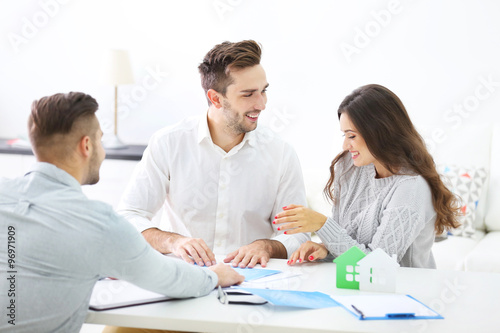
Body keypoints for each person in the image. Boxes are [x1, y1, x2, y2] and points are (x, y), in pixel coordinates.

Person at [0, 92, 244, 333]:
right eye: (100, 140)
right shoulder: (97, 223)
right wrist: (214, 276)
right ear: (86, 145)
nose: (102, 151)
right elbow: (167, 278)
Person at [118, 40, 309, 269]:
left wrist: (265, 246)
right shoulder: (169, 143)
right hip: (183, 277)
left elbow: (298, 234)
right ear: (216, 98)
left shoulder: (281, 153)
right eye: (248, 94)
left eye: (263, 91)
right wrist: (173, 241)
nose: (261, 104)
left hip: (254, 282)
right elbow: (128, 217)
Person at [274, 84, 461, 268]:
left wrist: (323, 225)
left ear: (380, 133)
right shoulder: (349, 168)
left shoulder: (410, 187)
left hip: (405, 291)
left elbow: (377, 267)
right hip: (358, 286)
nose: (345, 146)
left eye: (352, 136)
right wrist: (326, 249)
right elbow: (350, 243)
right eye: (344, 135)